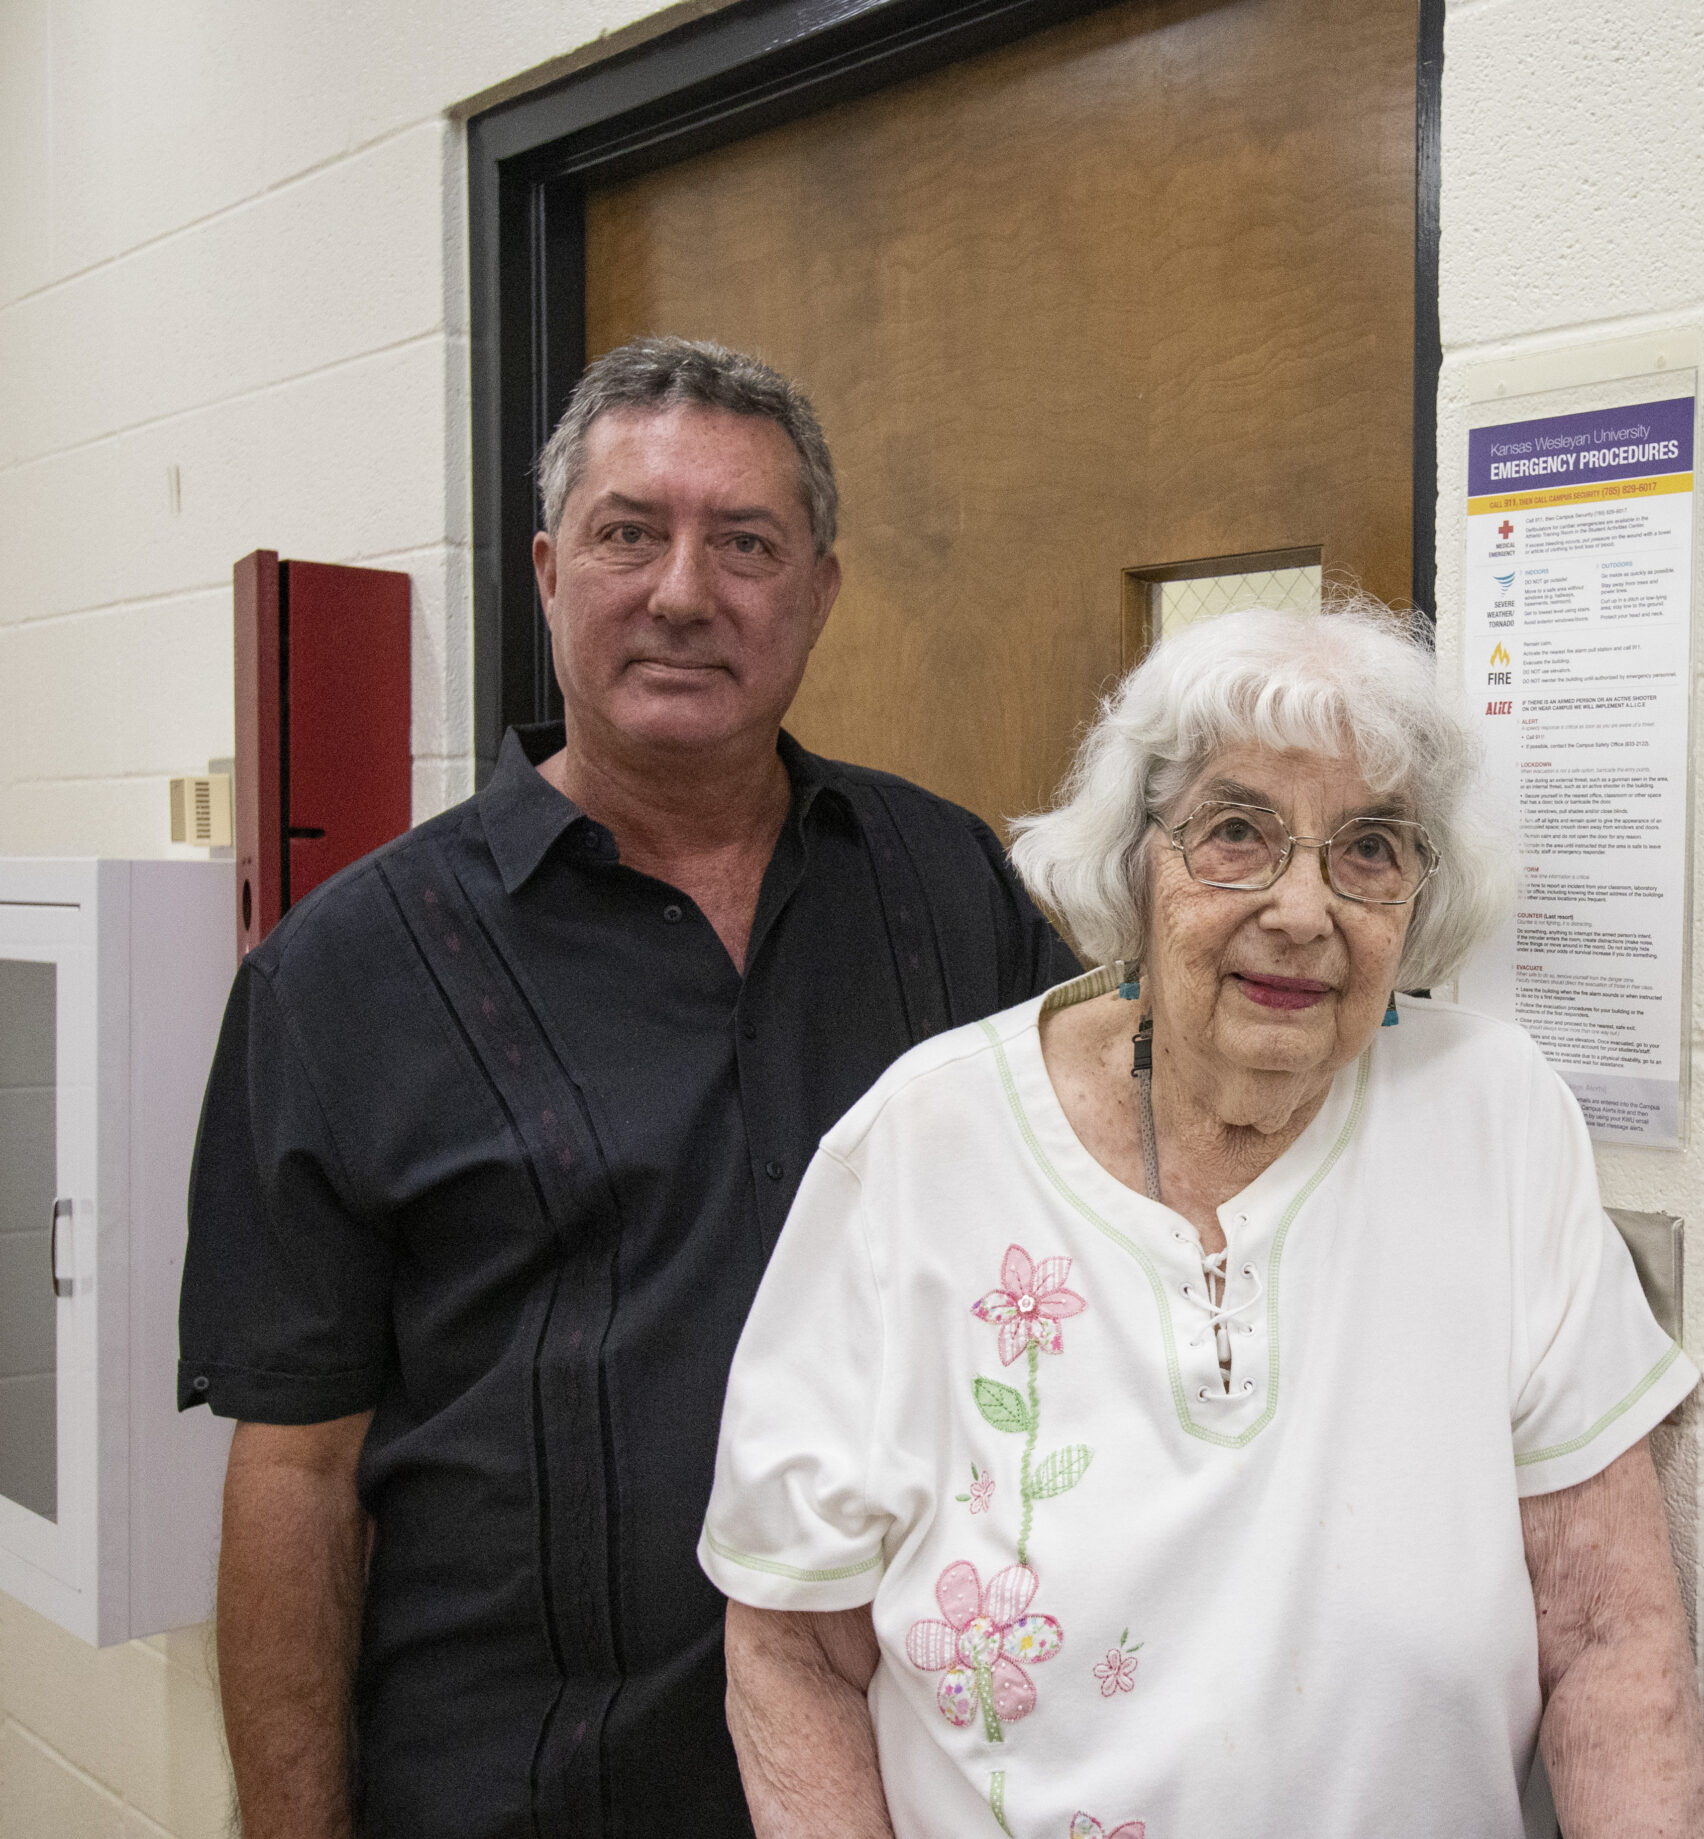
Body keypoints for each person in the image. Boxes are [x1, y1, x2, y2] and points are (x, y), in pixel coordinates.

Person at [179, 337, 1079, 1839]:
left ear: (820, 591)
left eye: (745, 543)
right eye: (627, 533)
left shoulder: (946, 882)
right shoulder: (343, 974)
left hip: (908, 1777)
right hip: (519, 1790)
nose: (681, 591)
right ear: (547, 570)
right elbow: (294, 1468)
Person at [700, 598, 1704, 1839]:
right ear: (1135, 859)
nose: (1303, 909)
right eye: (1236, 832)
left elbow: (1607, 1630)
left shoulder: (1493, 1116)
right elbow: (792, 1651)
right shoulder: (915, 1152)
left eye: (1370, 848)